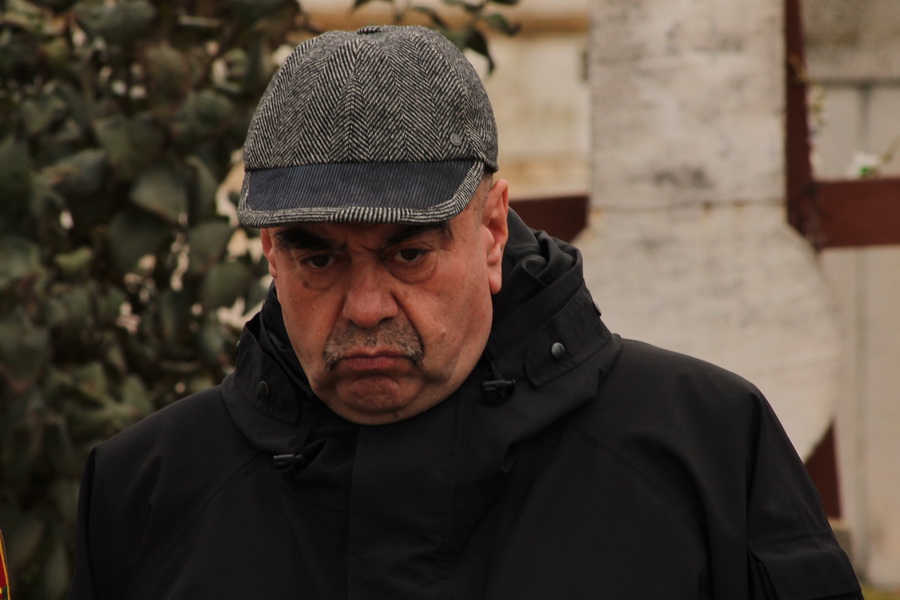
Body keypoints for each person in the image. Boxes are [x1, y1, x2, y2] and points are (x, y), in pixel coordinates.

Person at [68, 25, 863, 599]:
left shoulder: (710, 451)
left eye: (409, 254)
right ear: (272, 252)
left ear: (492, 230)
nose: (367, 308)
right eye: (320, 259)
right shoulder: (143, 493)